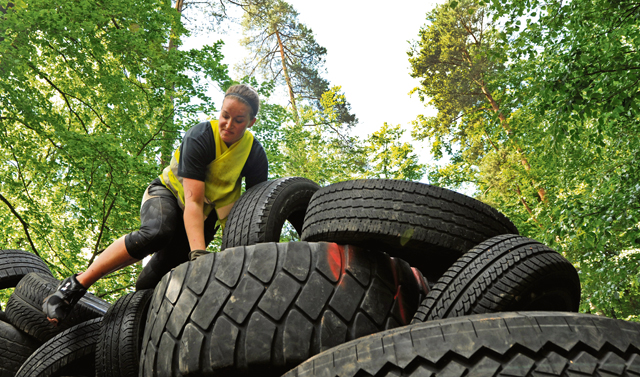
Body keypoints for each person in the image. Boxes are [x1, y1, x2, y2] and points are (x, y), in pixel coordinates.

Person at [42, 84, 268, 325]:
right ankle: (72, 288)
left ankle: (128, 329)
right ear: (220, 111)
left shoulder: (254, 155)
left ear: (251, 123)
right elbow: (192, 200)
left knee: (151, 282)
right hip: (169, 194)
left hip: (207, 214)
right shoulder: (201, 136)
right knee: (157, 232)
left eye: (239, 120)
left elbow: (249, 214)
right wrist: (199, 255)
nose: (229, 125)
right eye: (225, 115)